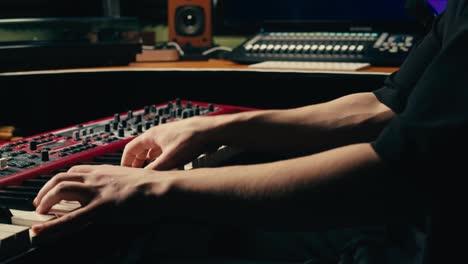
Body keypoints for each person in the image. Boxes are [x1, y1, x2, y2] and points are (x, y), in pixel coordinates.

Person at [31, 0, 467, 263]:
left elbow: (397, 172)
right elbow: (384, 105)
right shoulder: (454, 15)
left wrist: (153, 189)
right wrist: (214, 127)